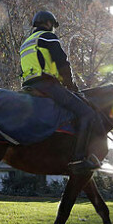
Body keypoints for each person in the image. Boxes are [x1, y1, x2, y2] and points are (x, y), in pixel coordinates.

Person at [20, 11, 101, 175]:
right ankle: (78, 159)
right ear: (49, 23)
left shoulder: (26, 42)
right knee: (87, 113)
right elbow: (62, 63)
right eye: (53, 26)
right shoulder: (48, 37)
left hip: (28, 85)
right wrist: (71, 86)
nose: (53, 29)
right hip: (47, 84)